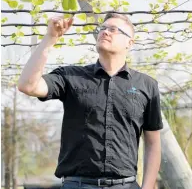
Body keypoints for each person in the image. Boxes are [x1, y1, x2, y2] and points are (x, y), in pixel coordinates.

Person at [18, 13, 163, 189]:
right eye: (103, 28)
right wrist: (50, 38)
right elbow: (28, 85)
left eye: (113, 29)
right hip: (77, 185)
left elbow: (153, 142)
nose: (105, 32)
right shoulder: (70, 76)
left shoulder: (147, 85)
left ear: (129, 43)